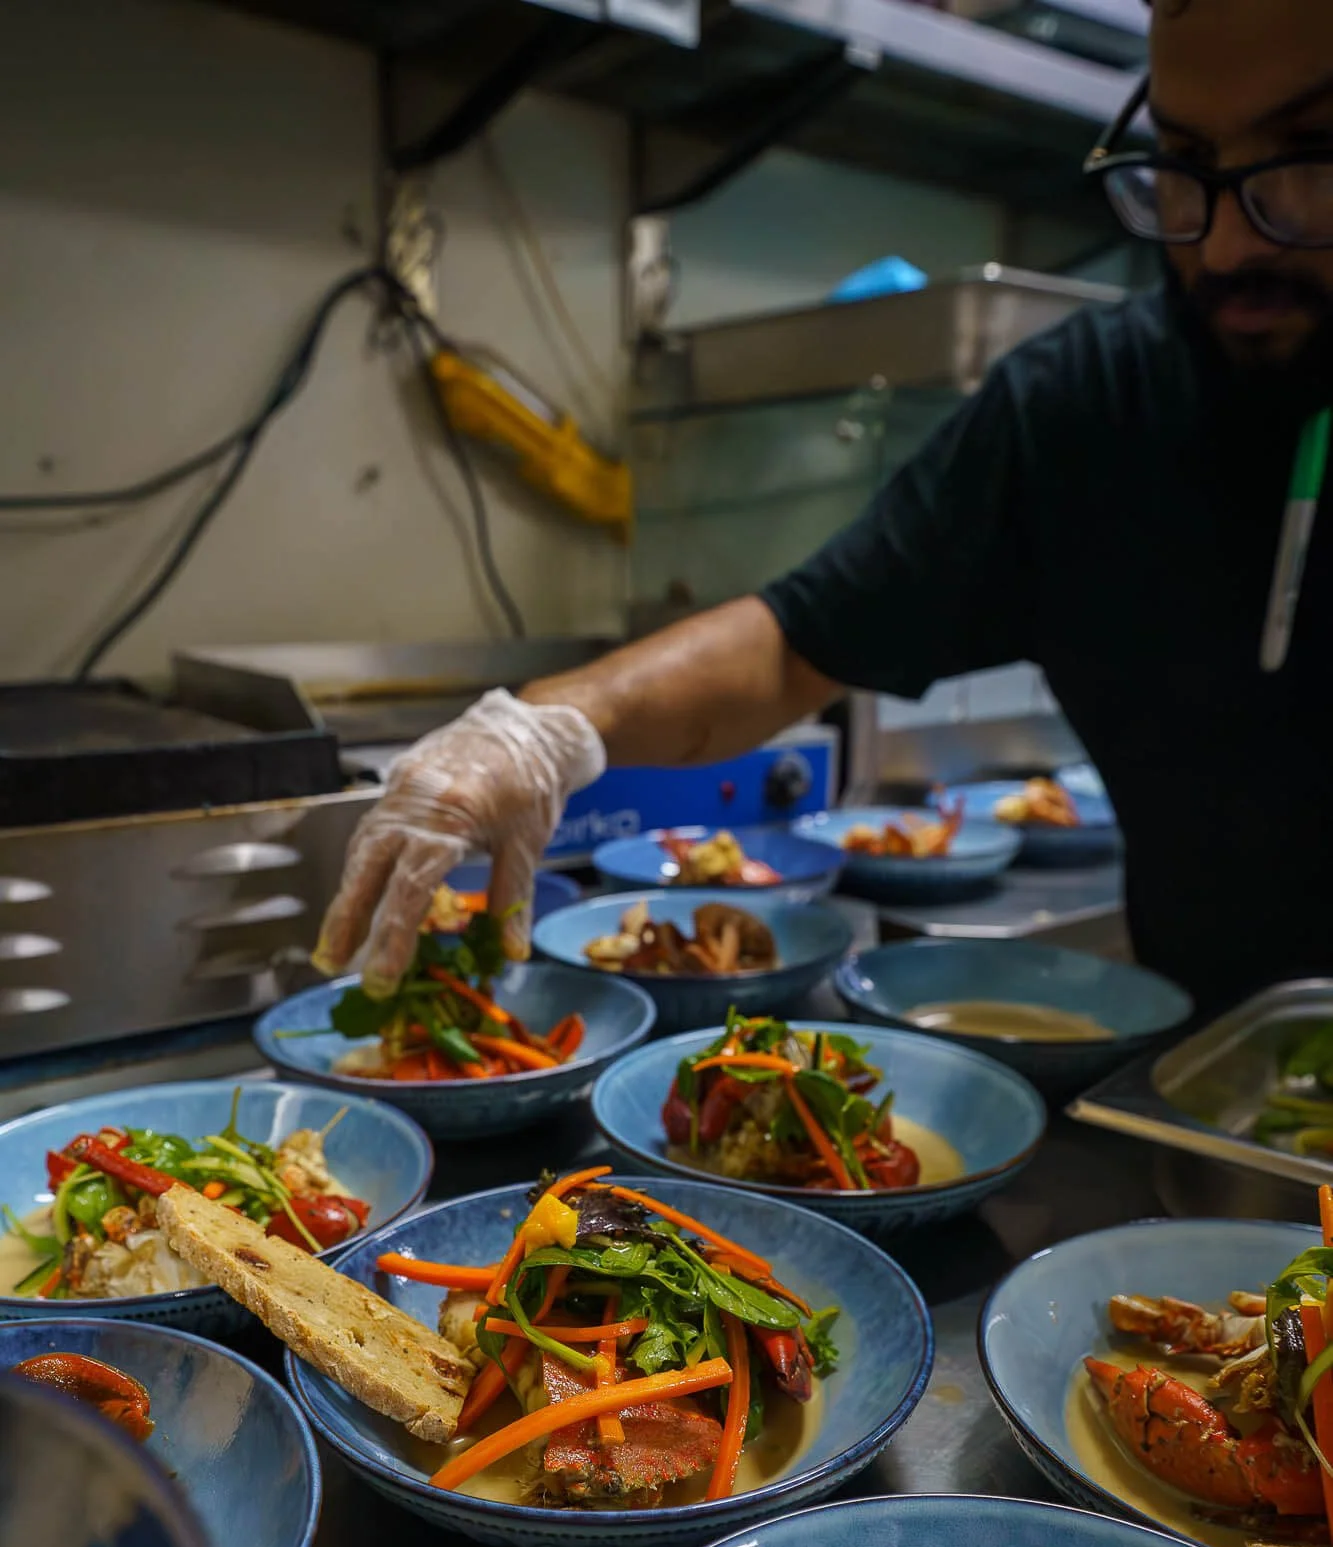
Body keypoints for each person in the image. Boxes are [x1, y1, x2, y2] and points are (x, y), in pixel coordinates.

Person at [316, 0, 1333, 1015]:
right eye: (1185, 161)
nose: (1234, 242)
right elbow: (790, 645)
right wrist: (541, 729)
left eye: (1310, 153)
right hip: (1214, 1093)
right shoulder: (1087, 409)